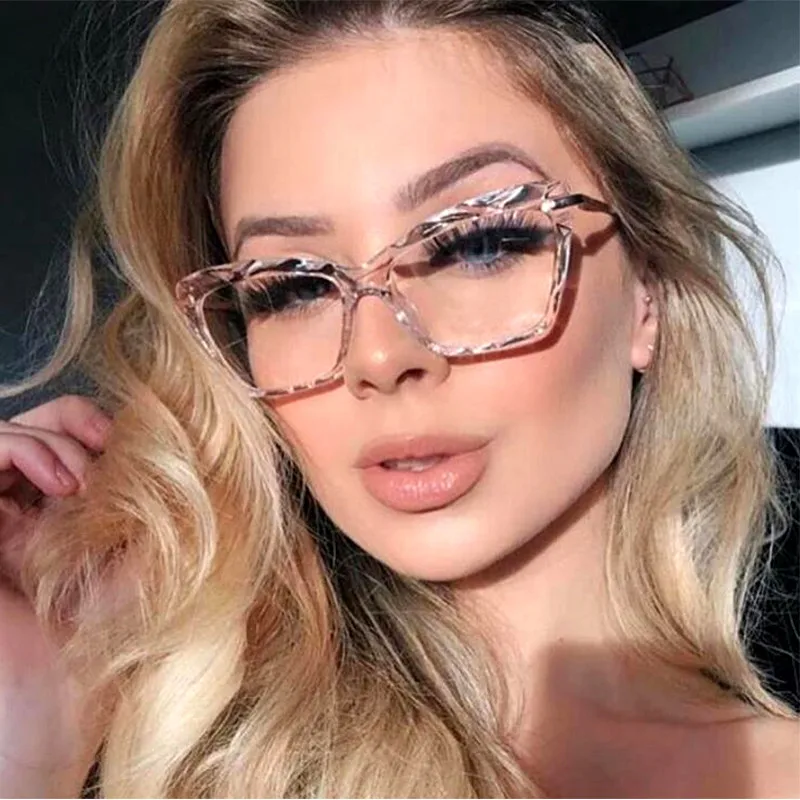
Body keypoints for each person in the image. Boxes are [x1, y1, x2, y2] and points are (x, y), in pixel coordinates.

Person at [0, 0, 798, 796]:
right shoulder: (188, 762)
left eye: (478, 242)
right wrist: (37, 734)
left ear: (647, 291)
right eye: (293, 287)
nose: (378, 356)